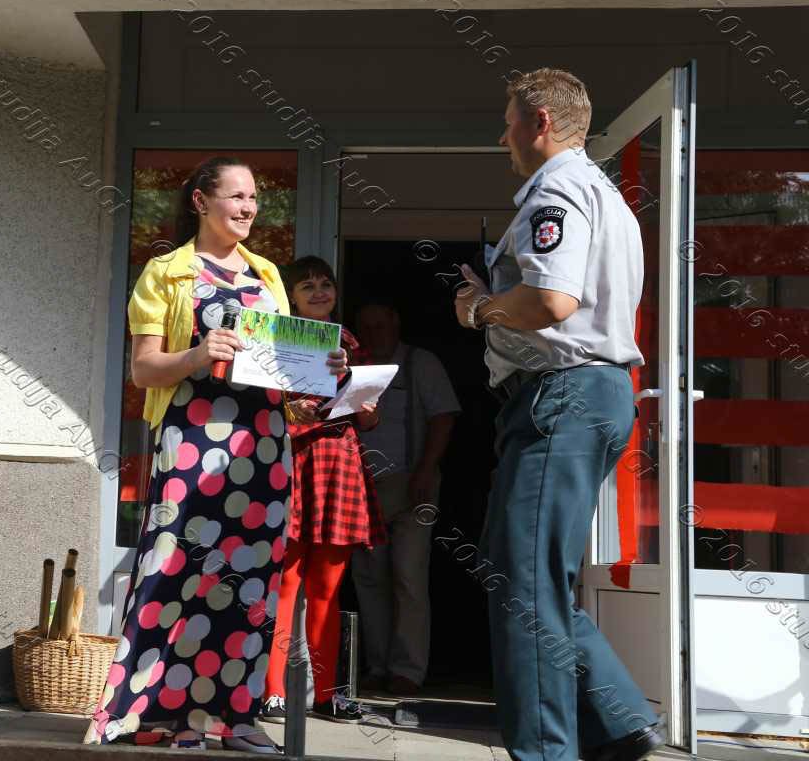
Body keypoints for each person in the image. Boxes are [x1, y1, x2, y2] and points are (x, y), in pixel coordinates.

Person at [83, 158, 350, 753]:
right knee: (176, 571)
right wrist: (199, 355)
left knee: (250, 585)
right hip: (193, 440)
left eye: (254, 197)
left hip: (264, 445)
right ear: (201, 202)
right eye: (237, 196)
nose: (249, 207)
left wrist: (321, 374)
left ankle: (235, 717)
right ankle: (162, 715)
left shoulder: (268, 274)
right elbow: (143, 369)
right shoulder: (166, 272)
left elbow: (279, 371)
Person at [454, 68, 663, 761]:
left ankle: (547, 751)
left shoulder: (557, 189)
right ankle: (619, 721)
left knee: (522, 585)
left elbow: (551, 300)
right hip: (585, 394)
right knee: (529, 575)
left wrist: (480, 309)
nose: (503, 137)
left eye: (509, 121)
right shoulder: (602, 192)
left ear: (540, 122)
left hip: (561, 396)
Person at [259, 256, 383, 726]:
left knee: (328, 589)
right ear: (291, 297)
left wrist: (366, 406)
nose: (318, 291)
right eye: (307, 285)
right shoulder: (275, 338)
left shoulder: (349, 341)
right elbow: (263, 405)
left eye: (325, 283)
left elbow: (370, 416)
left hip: (338, 463)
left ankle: (328, 696)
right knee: (285, 583)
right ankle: (272, 692)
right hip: (291, 461)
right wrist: (290, 413)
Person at [350, 302, 459, 697]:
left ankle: (407, 671)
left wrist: (426, 470)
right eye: (366, 327)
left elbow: (443, 417)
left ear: (396, 323)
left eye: (380, 325)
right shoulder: (355, 364)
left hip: (412, 483)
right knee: (369, 578)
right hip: (362, 487)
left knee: (408, 576)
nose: (374, 334)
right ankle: (378, 667)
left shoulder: (420, 363)